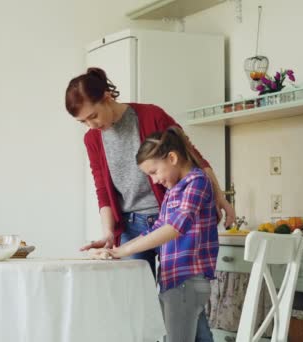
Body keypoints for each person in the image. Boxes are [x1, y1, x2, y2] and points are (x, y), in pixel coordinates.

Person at [65, 67, 233, 341]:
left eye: (93, 115)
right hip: (133, 228)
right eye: (83, 122)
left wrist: (221, 197)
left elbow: (192, 155)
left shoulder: (150, 115)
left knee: (183, 305)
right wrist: (110, 234)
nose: (91, 125)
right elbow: (103, 191)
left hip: (170, 222)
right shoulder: (93, 138)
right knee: (138, 309)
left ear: (107, 97)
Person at [107, 126, 219, 342]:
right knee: (200, 337)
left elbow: (176, 226)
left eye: (154, 172)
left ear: (172, 158)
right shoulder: (173, 191)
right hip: (173, 279)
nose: (154, 180)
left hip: (187, 280)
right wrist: (116, 250)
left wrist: (125, 250)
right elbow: (156, 228)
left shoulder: (197, 182)